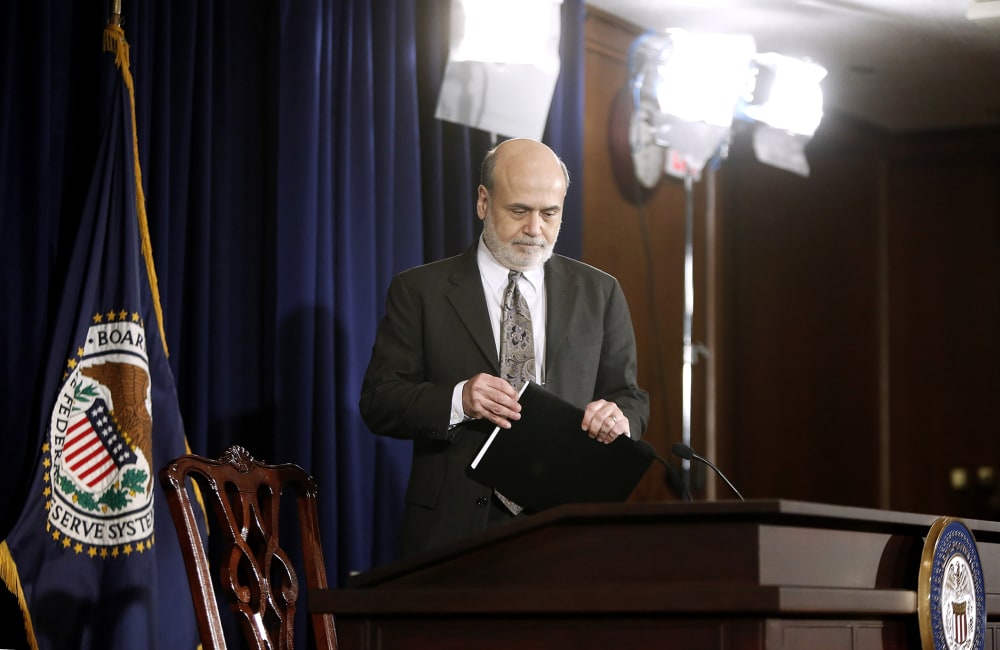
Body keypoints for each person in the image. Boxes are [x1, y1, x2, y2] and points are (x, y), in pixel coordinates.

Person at [359, 138, 649, 557]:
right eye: (519, 211)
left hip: (564, 531)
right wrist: (460, 398)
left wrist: (619, 418)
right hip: (451, 531)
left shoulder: (599, 292)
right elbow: (379, 401)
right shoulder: (420, 290)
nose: (535, 229)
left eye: (550, 214)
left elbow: (630, 396)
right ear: (483, 202)